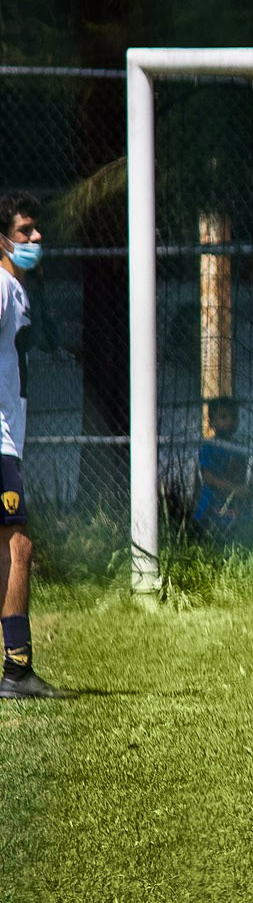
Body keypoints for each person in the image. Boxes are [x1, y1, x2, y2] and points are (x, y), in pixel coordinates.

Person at [0, 195, 64, 700]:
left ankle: (17, 670)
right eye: (24, 231)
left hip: (9, 443)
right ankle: (18, 671)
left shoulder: (19, 291)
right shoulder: (0, 286)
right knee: (18, 546)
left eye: (35, 230)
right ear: (3, 240)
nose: (35, 238)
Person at [194, 400, 253, 539]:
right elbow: (208, 477)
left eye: (233, 416)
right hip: (214, 498)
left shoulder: (239, 448)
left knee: (244, 523)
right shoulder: (209, 446)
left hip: (234, 499)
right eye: (223, 417)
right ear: (212, 421)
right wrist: (232, 488)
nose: (230, 421)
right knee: (210, 529)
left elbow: (240, 473)